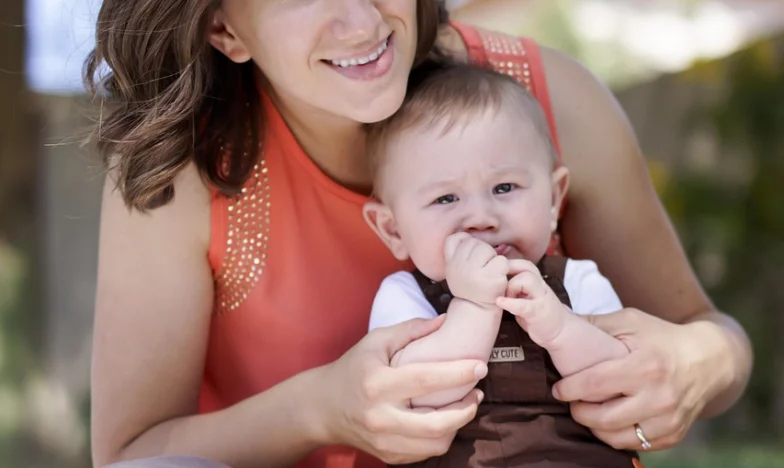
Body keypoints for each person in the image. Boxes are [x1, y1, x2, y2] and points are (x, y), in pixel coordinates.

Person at [85, 1, 752, 468]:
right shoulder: (176, 163)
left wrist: (699, 363)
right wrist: (321, 408)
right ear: (225, 28)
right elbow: (134, 458)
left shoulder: (548, 100)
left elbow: (711, 334)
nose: (366, 21)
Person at [363, 63, 639, 467]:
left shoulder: (578, 281)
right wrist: (474, 306)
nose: (481, 217)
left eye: (504, 188)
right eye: (445, 199)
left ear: (552, 199)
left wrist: (562, 329)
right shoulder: (404, 298)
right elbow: (417, 397)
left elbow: (616, 387)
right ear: (393, 229)